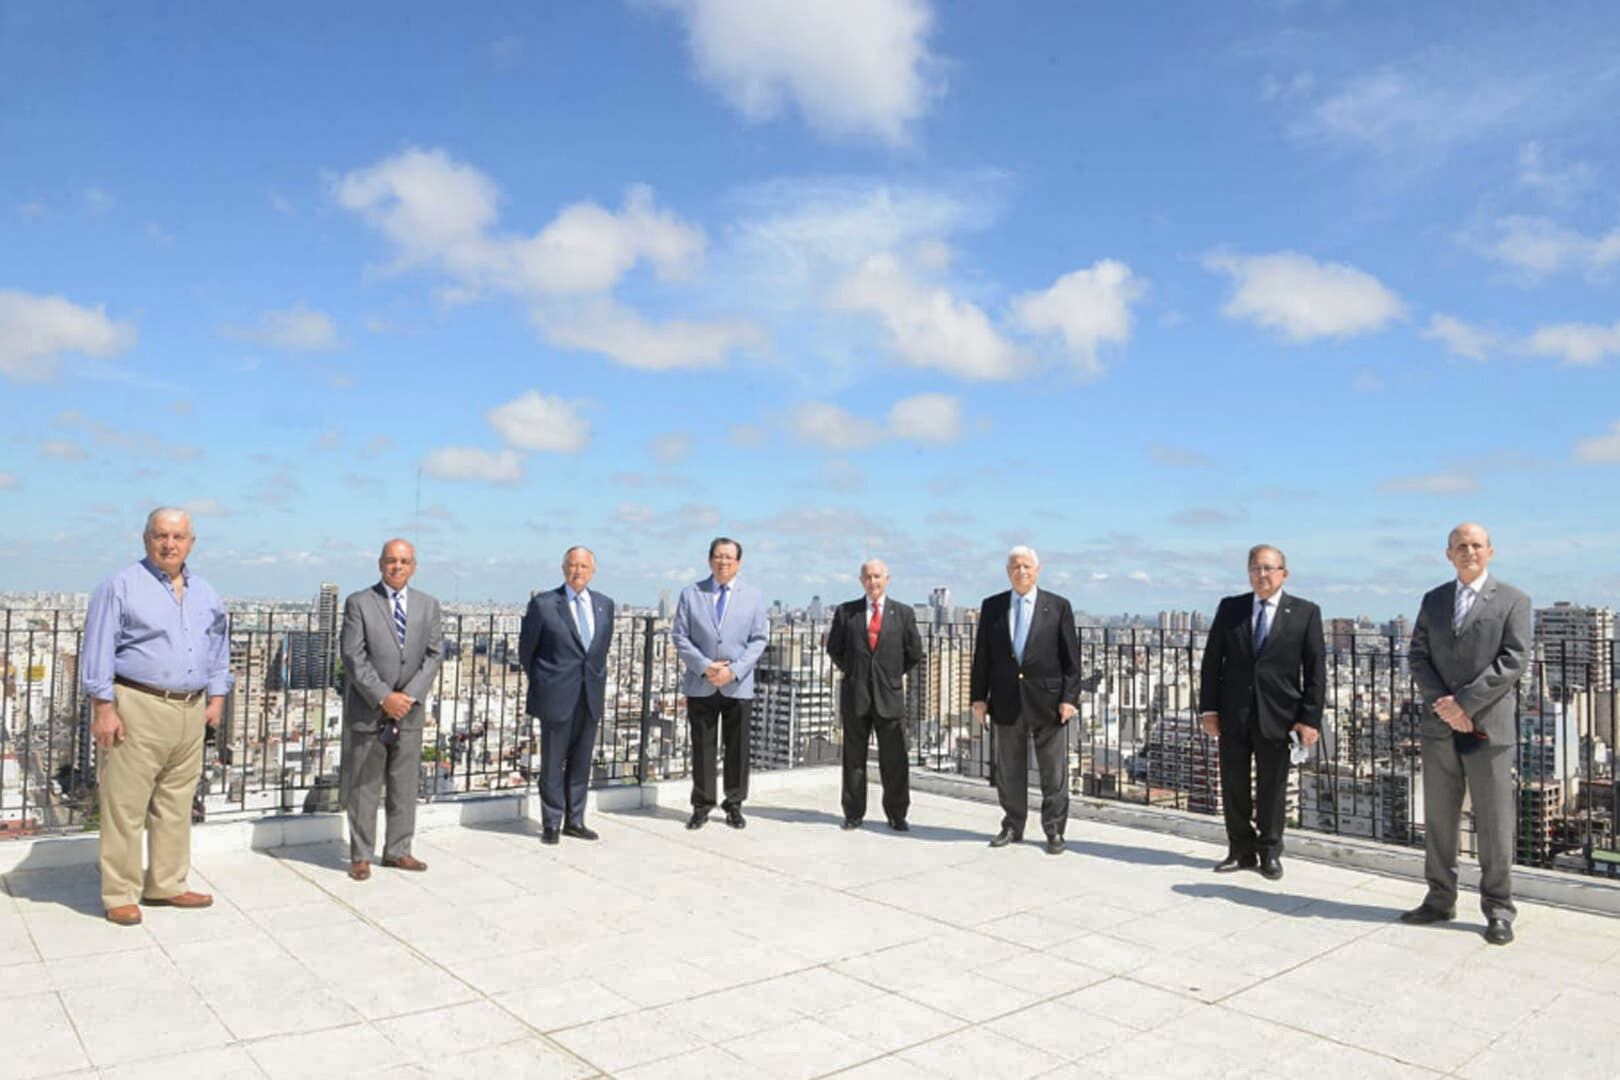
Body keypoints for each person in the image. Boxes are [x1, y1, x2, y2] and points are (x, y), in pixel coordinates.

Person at [81, 508, 233, 925]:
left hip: (190, 708)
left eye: (178, 536)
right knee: (125, 804)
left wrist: (217, 697)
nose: (170, 544)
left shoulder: (205, 592)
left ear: (191, 542)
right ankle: (119, 894)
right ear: (146, 539)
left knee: (176, 802)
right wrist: (104, 708)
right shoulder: (120, 587)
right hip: (137, 705)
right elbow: (97, 650)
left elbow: (219, 647)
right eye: (161, 535)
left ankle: (167, 883)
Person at [1401, 523, 1531, 945]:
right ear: (1448, 554)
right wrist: (1445, 703)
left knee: (1494, 823)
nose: (1468, 551)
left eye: (1476, 545)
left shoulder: (1514, 600)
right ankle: (1440, 898)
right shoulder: (1433, 600)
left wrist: (1465, 705)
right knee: (1440, 818)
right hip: (1441, 726)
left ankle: (1498, 908)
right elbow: (1418, 655)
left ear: (1490, 551)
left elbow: (1513, 660)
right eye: (1461, 546)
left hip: (1487, 728)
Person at [1198, 544, 1325, 881]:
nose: (1262, 574)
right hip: (1232, 713)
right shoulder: (1231, 608)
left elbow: (1316, 670)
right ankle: (1240, 850)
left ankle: (1270, 852)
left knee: (1273, 787)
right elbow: (1213, 661)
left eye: (1269, 568)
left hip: (1280, 715)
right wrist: (1208, 709)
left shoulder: (1305, 612)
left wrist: (1310, 719)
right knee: (1234, 785)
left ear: (1284, 573)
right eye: (1256, 568)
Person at [340, 539, 443, 881]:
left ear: (413, 566)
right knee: (364, 785)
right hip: (370, 709)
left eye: (404, 561)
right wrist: (384, 696)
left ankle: (399, 850)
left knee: (404, 783)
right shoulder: (360, 603)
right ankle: (361, 854)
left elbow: (434, 654)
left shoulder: (428, 605)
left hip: (409, 711)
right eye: (391, 561)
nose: (397, 567)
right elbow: (353, 656)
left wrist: (409, 696)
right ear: (380, 564)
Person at [970, 546, 1081, 854]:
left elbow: (1072, 659)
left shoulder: (1058, 606)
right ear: (1008, 572)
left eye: (1027, 566)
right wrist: (978, 698)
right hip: (1005, 700)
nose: (1021, 571)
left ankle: (1054, 831)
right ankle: (1012, 824)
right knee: (1009, 770)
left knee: (1053, 773)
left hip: (1048, 702)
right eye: (1015, 566)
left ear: (1038, 569)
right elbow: (982, 657)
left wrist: (1069, 698)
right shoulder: (992, 606)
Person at [519, 546, 615, 845]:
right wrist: (546, 682)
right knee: (552, 761)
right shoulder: (545, 604)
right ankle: (551, 822)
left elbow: (600, 649)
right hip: (556, 694)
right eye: (572, 565)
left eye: (584, 566)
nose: (578, 571)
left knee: (581, 761)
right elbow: (527, 652)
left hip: (590, 694)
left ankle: (575, 820)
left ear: (593, 570)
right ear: (563, 568)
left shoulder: (605, 604)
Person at [672, 537, 767, 830]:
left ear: (738, 562)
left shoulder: (753, 595)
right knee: (703, 746)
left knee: (737, 748)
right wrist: (705, 667)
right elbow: (680, 635)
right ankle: (701, 805)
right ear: (709, 559)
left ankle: (734, 804)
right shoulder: (691, 593)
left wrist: (734, 671)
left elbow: (759, 638)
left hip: (737, 683)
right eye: (718, 556)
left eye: (729, 557)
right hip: (702, 681)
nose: (723, 561)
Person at [826, 559, 923, 831]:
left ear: (887, 579)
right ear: (861, 581)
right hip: (856, 694)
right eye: (868, 577)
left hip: (888, 695)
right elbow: (834, 648)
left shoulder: (903, 613)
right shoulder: (847, 612)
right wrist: (856, 671)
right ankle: (853, 813)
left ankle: (897, 813)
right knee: (853, 759)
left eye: (878, 576)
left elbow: (914, 652)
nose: (873, 582)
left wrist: (890, 675)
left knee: (894, 760)